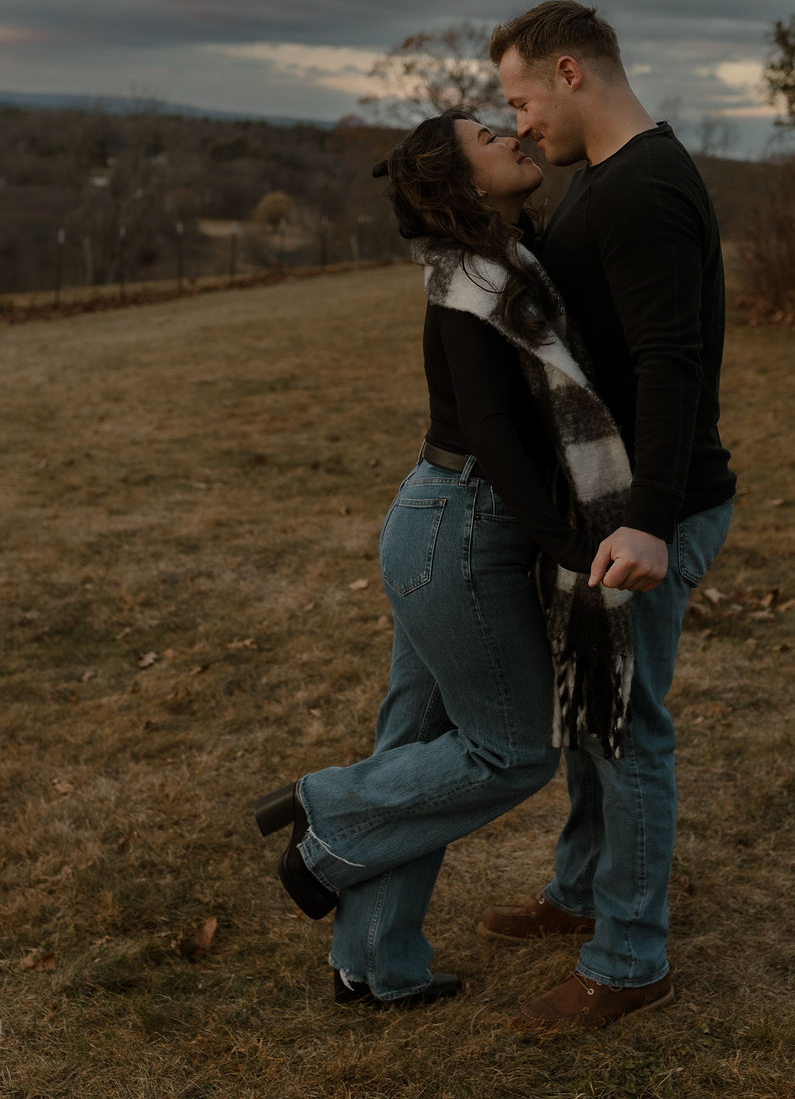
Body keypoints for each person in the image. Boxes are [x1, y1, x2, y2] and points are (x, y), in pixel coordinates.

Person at [252, 108, 637, 1012]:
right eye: (485, 137)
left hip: (444, 520)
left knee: (419, 751)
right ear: (462, 183)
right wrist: (572, 545)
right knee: (511, 753)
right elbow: (498, 439)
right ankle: (325, 810)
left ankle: (378, 965)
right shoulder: (474, 279)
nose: (511, 134)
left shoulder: (498, 263)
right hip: (461, 527)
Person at [479, 0, 736, 1031]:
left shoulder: (645, 191)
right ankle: (580, 888)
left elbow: (675, 363)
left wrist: (652, 520)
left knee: (625, 724)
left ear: (570, 70)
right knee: (592, 707)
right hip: (611, 506)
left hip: (646, 512)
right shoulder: (603, 183)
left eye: (521, 98)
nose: (520, 120)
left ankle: (630, 957)